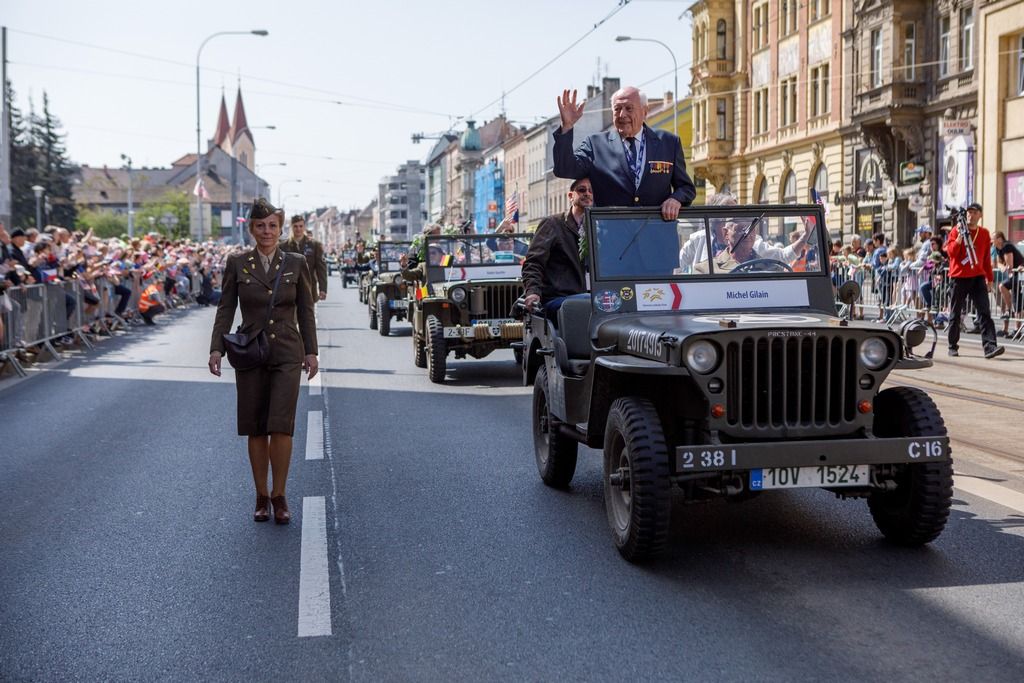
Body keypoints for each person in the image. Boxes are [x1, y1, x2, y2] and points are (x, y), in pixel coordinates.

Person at [208, 198, 319, 524]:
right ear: (251, 228)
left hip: (286, 353)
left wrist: (311, 351)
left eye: (272, 225)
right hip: (250, 353)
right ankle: (260, 494)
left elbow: (305, 310)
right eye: (260, 226)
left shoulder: (296, 262)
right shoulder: (238, 263)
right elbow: (225, 308)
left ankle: (279, 495)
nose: (266, 231)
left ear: (280, 228)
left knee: (281, 426)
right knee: (256, 427)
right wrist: (217, 347)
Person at [553, 86, 696, 220]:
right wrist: (567, 127)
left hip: (656, 236)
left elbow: (686, 188)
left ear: (644, 111)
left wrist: (676, 199)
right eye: (617, 109)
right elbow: (564, 169)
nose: (622, 114)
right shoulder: (595, 145)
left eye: (629, 108)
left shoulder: (668, 143)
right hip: (612, 239)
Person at [522, 178, 593, 318]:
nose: (587, 193)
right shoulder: (553, 224)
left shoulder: (600, 227)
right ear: (571, 196)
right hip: (559, 298)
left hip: (592, 297)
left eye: (591, 190)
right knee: (587, 304)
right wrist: (533, 292)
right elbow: (533, 262)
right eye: (582, 190)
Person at [944, 202, 1003, 358]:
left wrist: (989, 278)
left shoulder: (984, 233)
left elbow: (985, 259)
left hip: (977, 277)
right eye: (969, 212)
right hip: (959, 277)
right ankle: (952, 345)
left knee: (984, 312)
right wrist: (959, 238)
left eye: (974, 212)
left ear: (980, 215)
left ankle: (990, 346)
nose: (971, 215)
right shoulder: (956, 231)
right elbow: (951, 253)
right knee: (956, 313)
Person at [282, 215, 328, 301]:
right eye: (295, 226)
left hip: (309, 289)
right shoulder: (283, 247)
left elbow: (321, 269)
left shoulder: (314, 245)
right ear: (291, 227)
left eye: (300, 226)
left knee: (309, 314)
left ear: (304, 227)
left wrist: (323, 289)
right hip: (289, 292)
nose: (298, 229)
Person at [993, 231, 1023, 337]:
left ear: (1000, 239)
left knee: (1016, 301)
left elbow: (1009, 265)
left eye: (994, 238)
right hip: (1013, 275)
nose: (992, 241)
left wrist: (1004, 267)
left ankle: (1016, 327)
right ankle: (1010, 325)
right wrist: (1002, 267)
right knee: (1014, 300)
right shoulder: (998, 249)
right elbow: (999, 264)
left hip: (1019, 274)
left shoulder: (1007, 246)